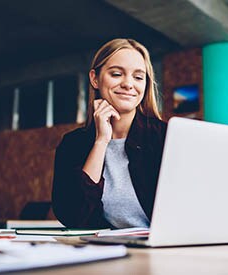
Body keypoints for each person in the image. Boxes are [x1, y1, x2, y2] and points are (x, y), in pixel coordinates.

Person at [52, 38, 167, 229]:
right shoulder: (73, 144)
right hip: (104, 252)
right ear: (95, 79)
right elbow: (73, 216)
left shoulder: (165, 137)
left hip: (163, 251)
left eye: (138, 77)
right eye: (116, 74)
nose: (128, 84)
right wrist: (101, 141)